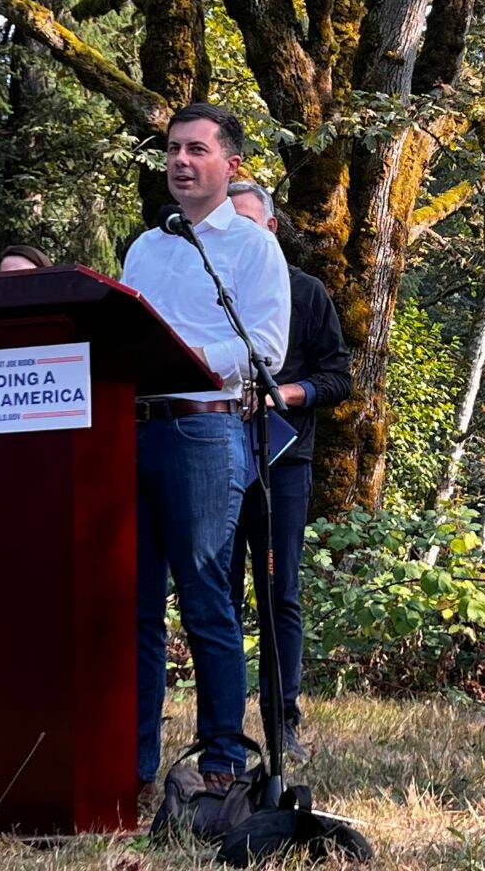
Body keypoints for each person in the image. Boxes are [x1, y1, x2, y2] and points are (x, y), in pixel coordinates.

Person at [120, 104, 290, 790]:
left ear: (231, 165)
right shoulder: (146, 246)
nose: (180, 162)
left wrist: (192, 356)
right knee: (134, 601)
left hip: (204, 428)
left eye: (196, 150)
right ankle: (131, 761)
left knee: (204, 595)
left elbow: (267, 349)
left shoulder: (253, 248)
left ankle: (222, 756)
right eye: (171, 150)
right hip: (132, 428)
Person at [225, 181, 351, 763]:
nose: (239, 236)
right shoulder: (207, 290)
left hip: (282, 463)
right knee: (216, 592)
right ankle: (222, 728)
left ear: (271, 229)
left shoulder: (306, 292)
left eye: (249, 223)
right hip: (213, 459)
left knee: (279, 593)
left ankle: (283, 725)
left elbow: (339, 378)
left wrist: (286, 395)